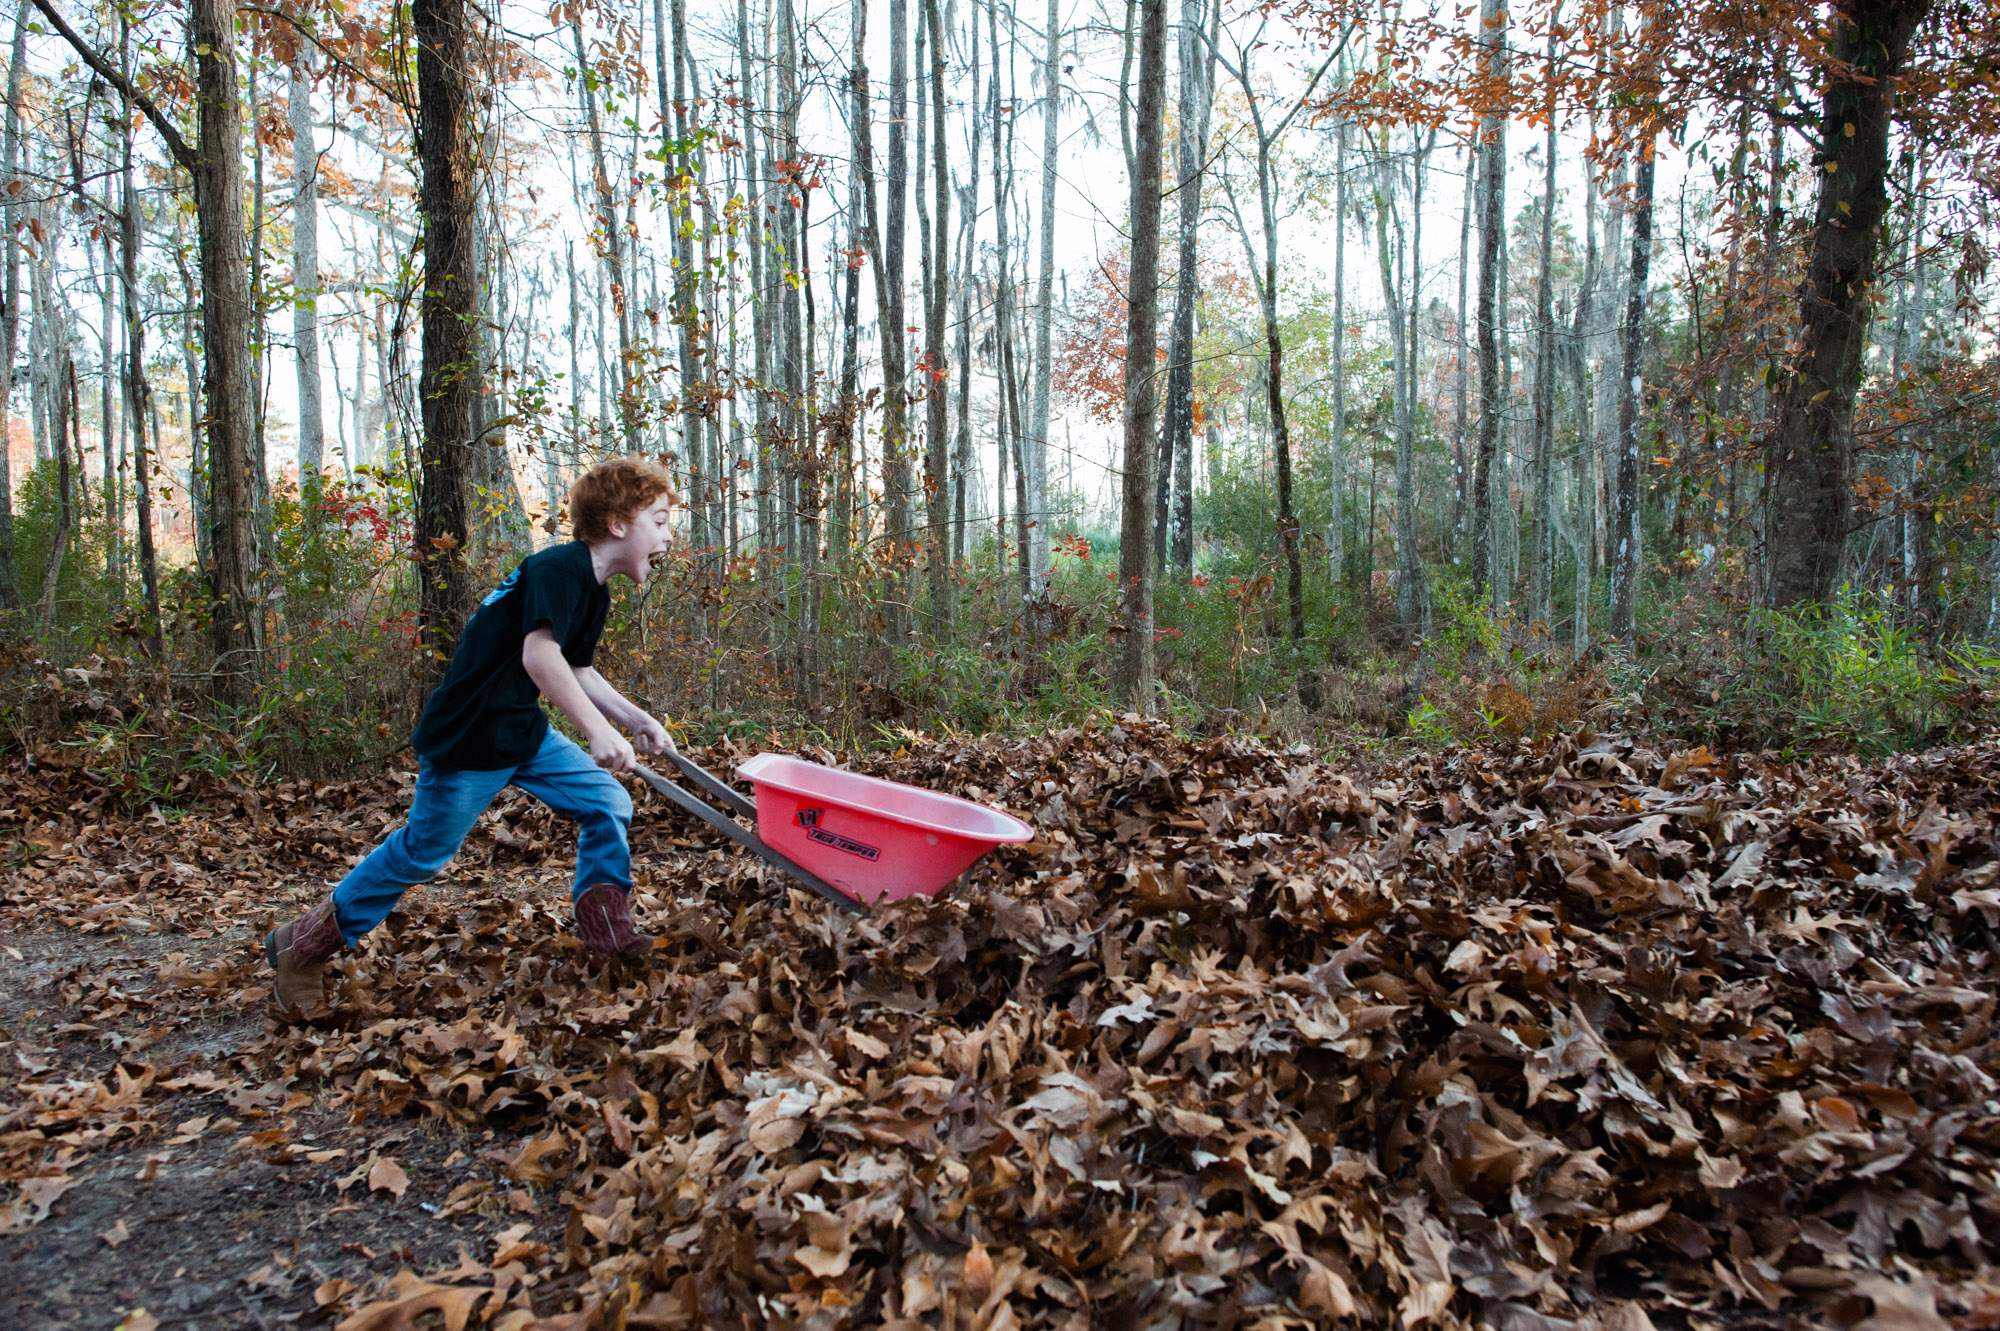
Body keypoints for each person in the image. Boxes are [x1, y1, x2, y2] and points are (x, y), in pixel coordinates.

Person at [264, 456, 681, 1016]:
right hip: (470, 737)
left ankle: (610, 940)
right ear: (617, 524)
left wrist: (635, 719)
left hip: (521, 732)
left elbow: (577, 669)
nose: (668, 535)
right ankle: (302, 946)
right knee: (425, 850)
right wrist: (597, 731)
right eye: (659, 520)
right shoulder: (558, 568)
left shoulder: (593, 589)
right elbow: (540, 656)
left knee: (606, 800)